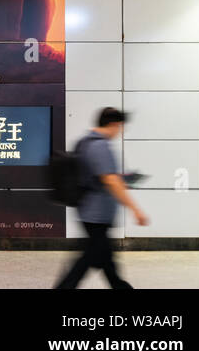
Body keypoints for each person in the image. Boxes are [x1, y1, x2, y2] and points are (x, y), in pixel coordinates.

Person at [55, 107, 149, 289]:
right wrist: (136, 210)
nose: (120, 131)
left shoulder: (85, 142)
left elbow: (97, 176)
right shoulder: (100, 145)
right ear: (113, 124)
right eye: (121, 127)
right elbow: (110, 181)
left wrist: (122, 179)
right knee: (87, 260)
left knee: (106, 262)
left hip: (90, 211)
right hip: (96, 214)